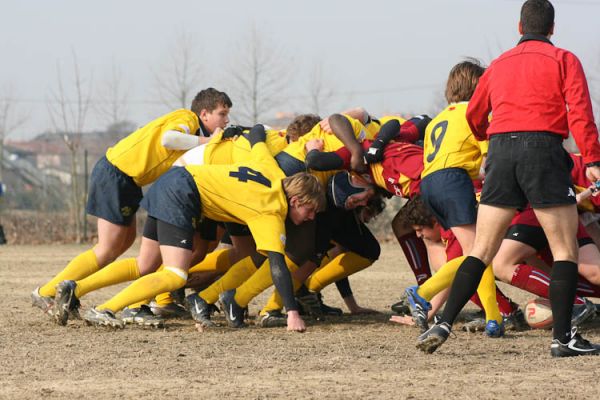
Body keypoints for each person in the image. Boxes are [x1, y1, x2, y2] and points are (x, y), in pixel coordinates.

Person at [417, 0, 600, 357]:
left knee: (482, 250)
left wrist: (493, 141)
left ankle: (443, 322)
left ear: (519, 28)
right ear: (551, 28)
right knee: (565, 250)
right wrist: (592, 158)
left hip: (501, 154)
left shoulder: (498, 64)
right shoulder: (564, 59)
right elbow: (580, 113)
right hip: (543, 151)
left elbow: (473, 115)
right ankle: (563, 339)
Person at [53, 125, 325, 333]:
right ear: (296, 200)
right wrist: (292, 313)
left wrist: (243, 129)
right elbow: (277, 265)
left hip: (173, 178)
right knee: (175, 275)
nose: (311, 217)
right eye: (310, 210)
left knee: (145, 264)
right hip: (183, 194)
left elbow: (255, 136)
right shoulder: (272, 211)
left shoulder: (272, 170)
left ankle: (73, 288)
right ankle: (106, 308)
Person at [31, 88, 232, 317]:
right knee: (108, 249)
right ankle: (48, 292)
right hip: (116, 173)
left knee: (127, 249)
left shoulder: (195, 134)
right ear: (204, 114)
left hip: (127, 179)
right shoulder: (187, 118)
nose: (226, 121)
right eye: (222, 114)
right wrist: (208, 140)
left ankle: (72, 292)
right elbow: (169, 138)